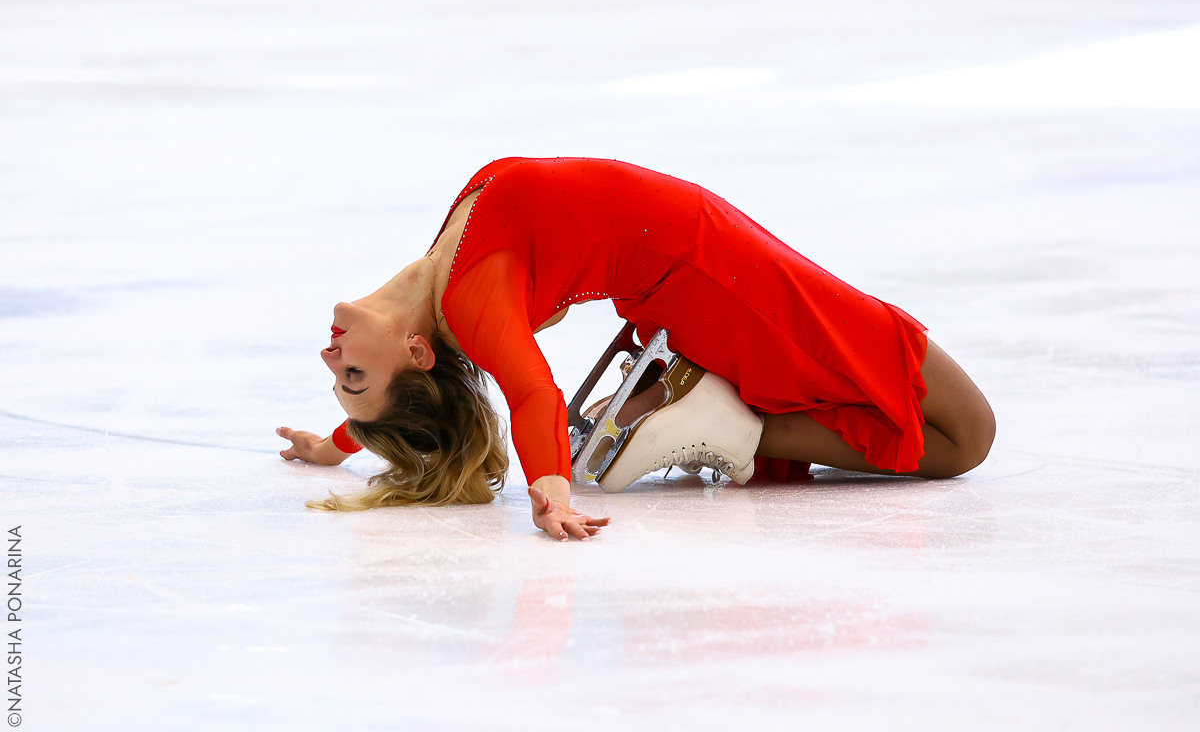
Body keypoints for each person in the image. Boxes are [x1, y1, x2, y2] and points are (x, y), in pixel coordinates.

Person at [277, 157, 996, 540]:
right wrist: (549, 492)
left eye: (343, 377)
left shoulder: (442, 276)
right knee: (967, 436)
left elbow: (417, 403)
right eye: (354, 376)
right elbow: (533, 393)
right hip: (710, 270)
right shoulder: (468, 300)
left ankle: (716, 420)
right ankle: (718, 426)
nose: (330, 359)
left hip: (699, 255)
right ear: (416, 352)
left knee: (930, 413)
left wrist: (342, 442)